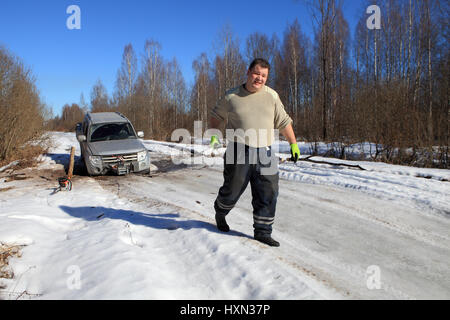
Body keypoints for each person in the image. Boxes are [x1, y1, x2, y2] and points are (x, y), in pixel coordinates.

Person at [209, 58, 300, 247]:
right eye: (257, 73)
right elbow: (216, 117)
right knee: (232, 190)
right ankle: (221, 211)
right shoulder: (231, 96)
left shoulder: (272, 96)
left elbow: (284, 121)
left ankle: (263, 232)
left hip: (265, 151)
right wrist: (214, 136)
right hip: (238, 149)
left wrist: (293, 144)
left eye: (264, 75)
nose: (260, 78)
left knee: (268, 192)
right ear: (248, 72)